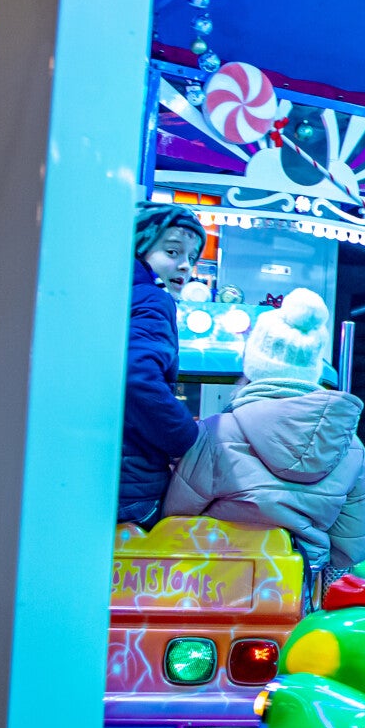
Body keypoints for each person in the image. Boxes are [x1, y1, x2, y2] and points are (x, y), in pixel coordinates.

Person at [162, 289, 365, 573]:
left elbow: (173, 520)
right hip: (298, 587)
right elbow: (356, 547)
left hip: (215, 584)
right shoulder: (349, 447)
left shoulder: (215, 433)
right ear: (313, 370)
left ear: (253, 366)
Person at [120, 203, 206, 527]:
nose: (185, 265)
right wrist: (186, 437)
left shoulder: (113, 293)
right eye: (172, 251)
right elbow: (136, 377)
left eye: (192, 257)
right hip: (133, 489)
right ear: (140, 247)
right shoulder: (153, 298)